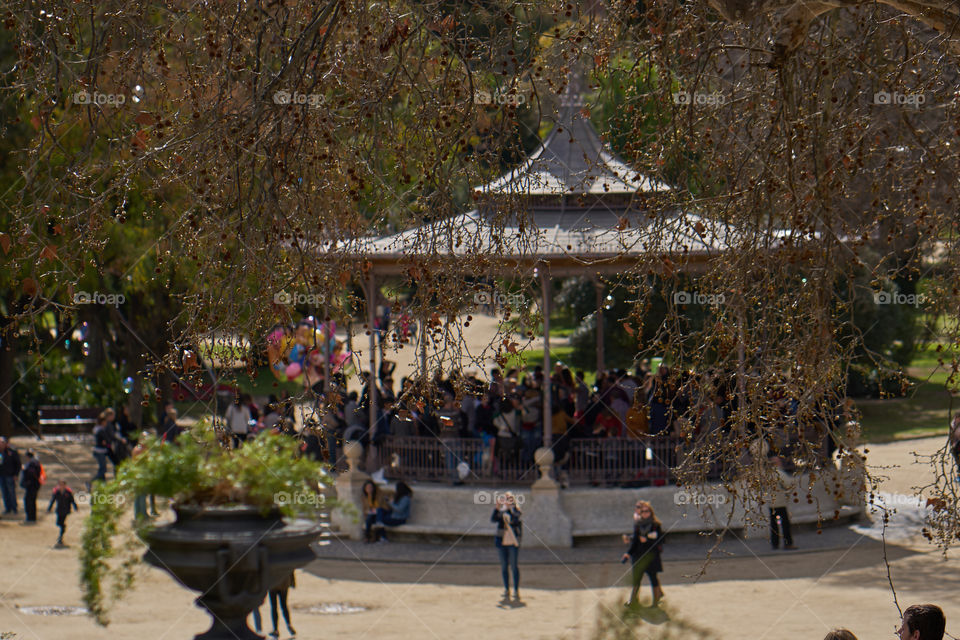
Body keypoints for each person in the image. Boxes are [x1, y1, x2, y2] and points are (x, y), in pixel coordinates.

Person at [622, 500, 665, 606]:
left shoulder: (656, 525)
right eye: (643, 511)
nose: (645, 513)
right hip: (638, 556)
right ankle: (633, 600)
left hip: (651, 556)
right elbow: (635, 541)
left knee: (653, 578)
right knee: (636, 579)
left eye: (647, 511)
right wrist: (628, 553)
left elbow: (661, 540)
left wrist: (648, 540)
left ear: (651, 512)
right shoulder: (638, 525)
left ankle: (655, 602)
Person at [491, 492, 522, 602]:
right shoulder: (501, 511)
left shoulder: (516, 511)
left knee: (514, 566)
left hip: (513, 542)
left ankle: (516, 589)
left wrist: (510, 509)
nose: (507, 501)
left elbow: (515, 520)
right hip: (501, 542)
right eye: (505, 499)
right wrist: (497, 507)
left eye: (509, 499)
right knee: (504, 566)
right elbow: (493, 519)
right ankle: (506, 589)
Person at [767, 455, 797, 550]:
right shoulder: (779, 473)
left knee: (773, 525)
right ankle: (788, 543)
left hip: (771, 503)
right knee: (785, 524)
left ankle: (775, 543)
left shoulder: (766, 474)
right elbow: (788, 484)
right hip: (780, 502)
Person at [47, 479, 78, 547]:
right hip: (59, 510)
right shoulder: (57, 492)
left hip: (66, 510)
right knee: (58, 523)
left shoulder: (68, 492)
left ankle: (60, 537)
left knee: (62, 522)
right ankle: (63, 528)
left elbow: (72, 500)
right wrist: (49, 508)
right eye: (60, 485)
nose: (61, 486)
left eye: (62, 485)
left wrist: (76, 507)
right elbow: (53, 500)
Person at [268, 572, 296, 638]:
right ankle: (289, 624)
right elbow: (290, 568)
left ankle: (275, 629)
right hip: (284, 582)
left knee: (274, 606)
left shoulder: (271, 561)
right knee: (284, 605)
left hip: (273, 583)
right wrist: (292, 581)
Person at [0, 437, 22, 515]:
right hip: (1, 475)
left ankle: (14, 508)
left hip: (10, 475)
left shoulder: (12, 452)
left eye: (2, 442)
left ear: (6, 443)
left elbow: (18, 464)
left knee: (11, 492)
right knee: (4, 492)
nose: (1, 444)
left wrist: (16, 474)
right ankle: (7, 508)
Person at [20, 450, 42, 524]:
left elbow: (31, 473)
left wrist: (24, 469)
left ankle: (30, 517)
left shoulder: (32, 463)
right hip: (34, 485)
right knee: (31, 501)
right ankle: (32, 517)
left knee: (29, 501)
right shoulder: (36, 462)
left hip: (32, 485)